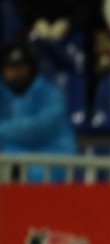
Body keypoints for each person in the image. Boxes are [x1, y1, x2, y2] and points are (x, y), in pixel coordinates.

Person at [0, 39, 77, 182]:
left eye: (21, 67)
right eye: (11, 68)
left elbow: (38, 128)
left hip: (50, 167)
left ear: (32, 68)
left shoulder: (51, 95)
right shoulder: (2, 94)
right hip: (10, 166)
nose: (17, 73)